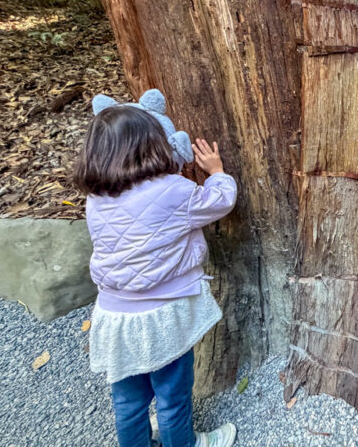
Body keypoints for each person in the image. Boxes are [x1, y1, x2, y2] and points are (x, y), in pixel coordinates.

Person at [74, 104, 238, 447]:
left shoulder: (96, 199)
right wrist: (217, 171)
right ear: (153, 144)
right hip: (163, 315)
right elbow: (220, 201)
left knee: (129, 402)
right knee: (171, 396)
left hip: (114, 316)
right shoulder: (173, 189)